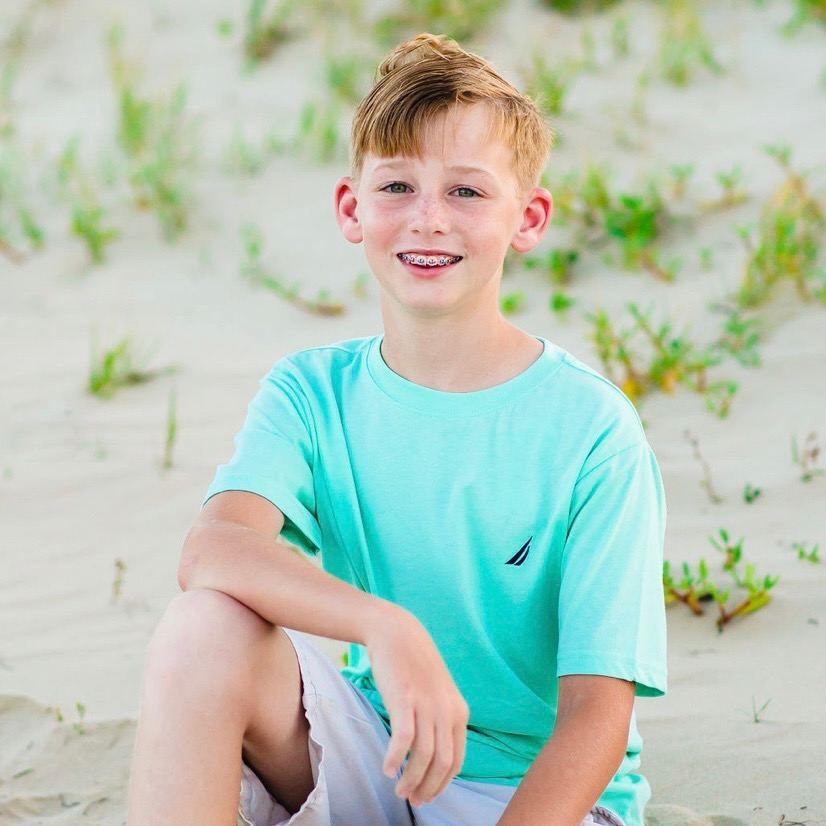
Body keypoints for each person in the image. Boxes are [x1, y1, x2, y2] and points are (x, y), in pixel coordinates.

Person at [126, 31, 667, 826]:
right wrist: (385, 626)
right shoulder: (313, 392)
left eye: (467, 192)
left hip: (533, 796)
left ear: (528, 218)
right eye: (397, 187)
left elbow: (597, 718)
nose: (428, 219)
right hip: (383, 758)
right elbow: (212, 549)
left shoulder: (591, 429)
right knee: (203, 627)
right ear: (352, 209)